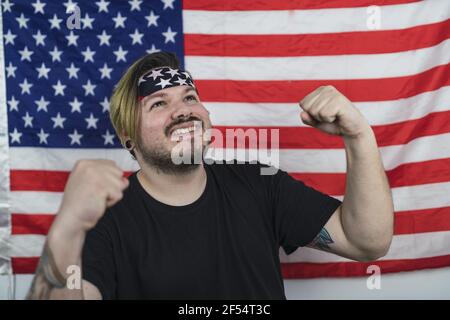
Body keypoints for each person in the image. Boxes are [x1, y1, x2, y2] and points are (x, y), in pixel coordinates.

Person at [26, 52, 394, 300]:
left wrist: (358, 136)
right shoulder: (105, 220)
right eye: (159, 103)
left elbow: (367, 242)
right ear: (129, 140)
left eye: (189, 97)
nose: (183, 111)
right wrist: (67, 228)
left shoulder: (260, 183)